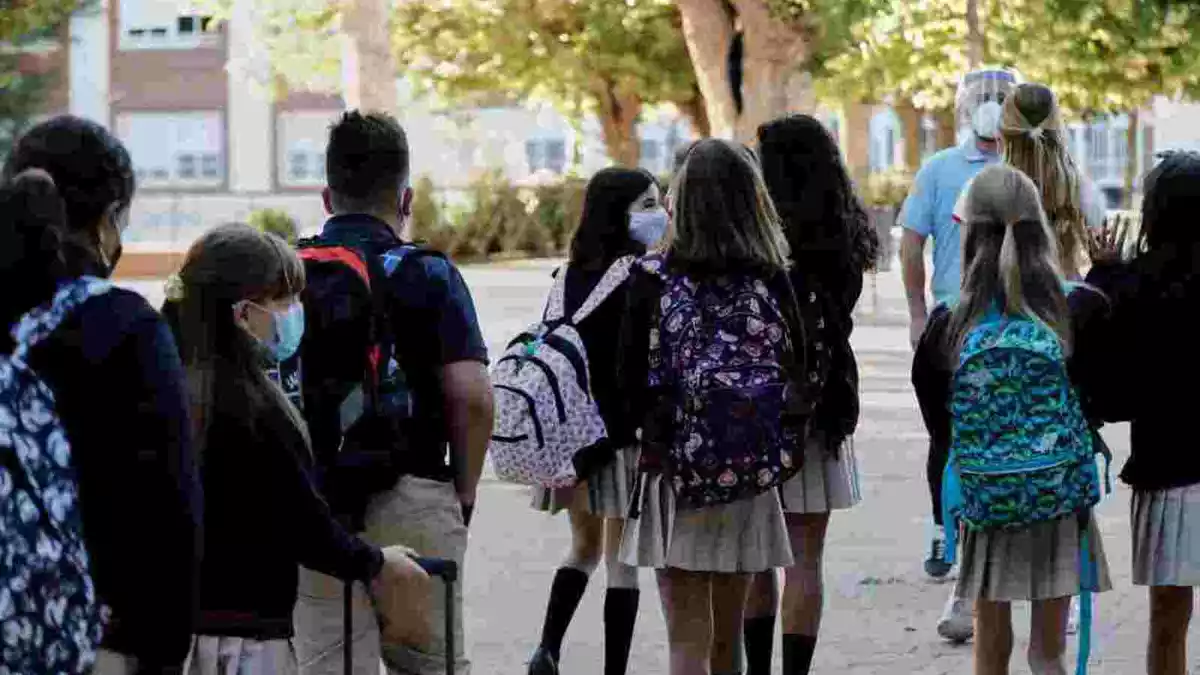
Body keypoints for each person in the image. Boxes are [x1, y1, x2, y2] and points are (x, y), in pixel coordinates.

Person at [161, 223, 433, 674]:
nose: (294, 313)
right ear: (243, 314)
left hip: (173, 635)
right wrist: (379, 563)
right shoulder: (255, 409)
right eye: (283, 300)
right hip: (247, 646)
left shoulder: (166, 392)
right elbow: (304, 525)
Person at [292, 111, 494, 675]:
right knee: (429, 666)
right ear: (405, 200)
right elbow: (473, 395)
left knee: (330, 666)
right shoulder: (429, 273)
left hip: (317, 507)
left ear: (327, 197)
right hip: (414, 492)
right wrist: (465, 490)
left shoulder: (290, 274)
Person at [0, 116, 203, 675]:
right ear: (108, 219)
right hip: (91, 643)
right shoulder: (120, 325)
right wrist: (161, 651)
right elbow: (169, 511)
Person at [912, 165, 1112, 675]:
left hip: (987, 500)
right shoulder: (1080, 309)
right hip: (1058, 497)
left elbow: (940, 425)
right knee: (1048, 654)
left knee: (990, 651)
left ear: (967, 230)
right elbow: (1107, 398)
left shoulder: (949, 322)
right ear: (1039, 224)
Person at [619, 138, 803, 675]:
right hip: (749, 472)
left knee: (686, 646)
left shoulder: (650, 279)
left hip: (673, 474)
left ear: (680, 203)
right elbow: (797, 364)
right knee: (729, 646)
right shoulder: (771, 275)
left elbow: (625, 384)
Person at [740, 114, 878, 675]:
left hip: (753, 410)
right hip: (822, 405)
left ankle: (755, 669)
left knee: (755, 555)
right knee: (806, 560)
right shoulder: (842, 238)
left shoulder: (756, 244)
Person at [526, 168, 665, 675]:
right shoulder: (641, 278)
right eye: (647, 203)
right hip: (619, 439)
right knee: (621, 562)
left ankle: (547, 648)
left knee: (582, 547)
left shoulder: (565, 277)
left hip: (567, 441)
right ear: (620, 211)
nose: (658, 212)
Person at [899, 67, 1018, 640]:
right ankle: (947, 530)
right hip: (952, 321)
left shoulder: (1032, 165)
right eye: (982, 97)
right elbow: (911, 240)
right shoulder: (941, 170)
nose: (993, 105)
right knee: (948, 439)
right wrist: (918, 314)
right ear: (964, 107)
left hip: (1015, 319)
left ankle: (991, 555)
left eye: (1003, 96)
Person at [1084, 150, 1200, 675]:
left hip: (1168, 474)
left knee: (1167, 624)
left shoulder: (1133, 285)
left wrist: (1102, 277)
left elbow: (1107, 392)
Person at [954, 82, 1107, 280]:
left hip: (1002, 305)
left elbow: (968, 268)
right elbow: (1101, 255)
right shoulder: (1081, 189)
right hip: (1066, 303)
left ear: (1001, 132)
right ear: (1058, 128)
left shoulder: (978, 189)